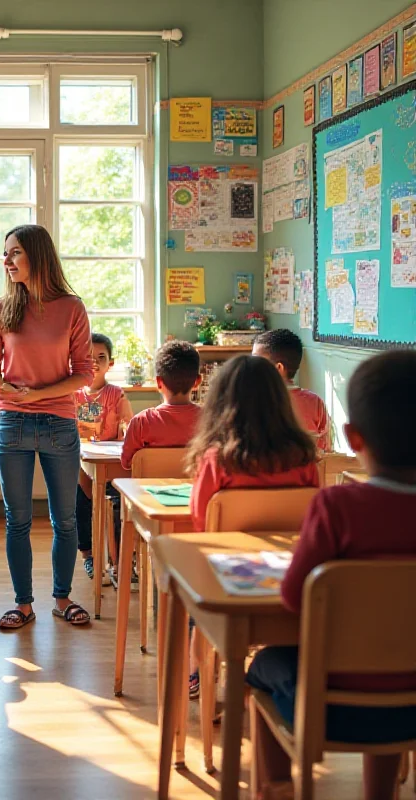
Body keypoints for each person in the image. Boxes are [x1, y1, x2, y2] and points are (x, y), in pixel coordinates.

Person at [246, 350, 416, 800]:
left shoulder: (337, 508)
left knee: (264, 665)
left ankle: (278, 789)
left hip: (332, 705)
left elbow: (295, 599)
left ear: (353, 437)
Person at [0, 224, 94, 629]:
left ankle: (62, 599)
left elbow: (84, 373)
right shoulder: (1, 309)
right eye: (5, 253)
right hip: (11, 424)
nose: (6, 261)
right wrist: (12, 390)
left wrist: (37, 396)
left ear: (38, 256)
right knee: (18, 520)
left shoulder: (72, 308)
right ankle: (23, 605)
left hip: (59, 425)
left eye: (15, 253)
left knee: (65, 520)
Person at [186, 355, 320, 698]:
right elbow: (309, 514)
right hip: (286, 570)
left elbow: (201, 520)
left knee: (189, 588)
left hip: (228, 570)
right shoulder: (303, 456)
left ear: (220, 402)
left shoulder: (217, 458)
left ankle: (196, 672)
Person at [74, 333, 133, 581]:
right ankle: (89, 556)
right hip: (80, 461)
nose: (95, 363)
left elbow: (129, 428)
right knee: (80, 504)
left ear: (111, 363)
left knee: (117, 504)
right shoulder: (73, 394)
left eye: (101, 357)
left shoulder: (116, 394)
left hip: (110, 462)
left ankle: (120, 561)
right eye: (89, 358)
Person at [120, 339, 202, 470]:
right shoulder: (211, 421)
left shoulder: (142, 422)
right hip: (195, 489)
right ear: (198, 382)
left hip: (150, 490)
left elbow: (127, 463)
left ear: (158, 382)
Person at [252, 329, 330, 452]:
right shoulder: (315, 401)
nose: (251, 366)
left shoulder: (253, 400)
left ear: (279, 368)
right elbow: (325, 449)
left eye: (256, 361)